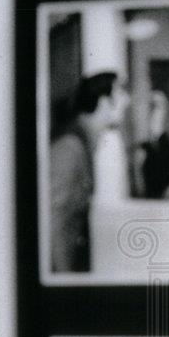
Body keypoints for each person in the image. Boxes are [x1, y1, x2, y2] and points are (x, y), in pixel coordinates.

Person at [49, 72, 131, 272]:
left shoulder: (86, 143)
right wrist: (63, 282)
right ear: (103, 103)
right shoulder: (69, 148)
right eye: (120, 94)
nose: (127, 101)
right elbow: (53, 222)